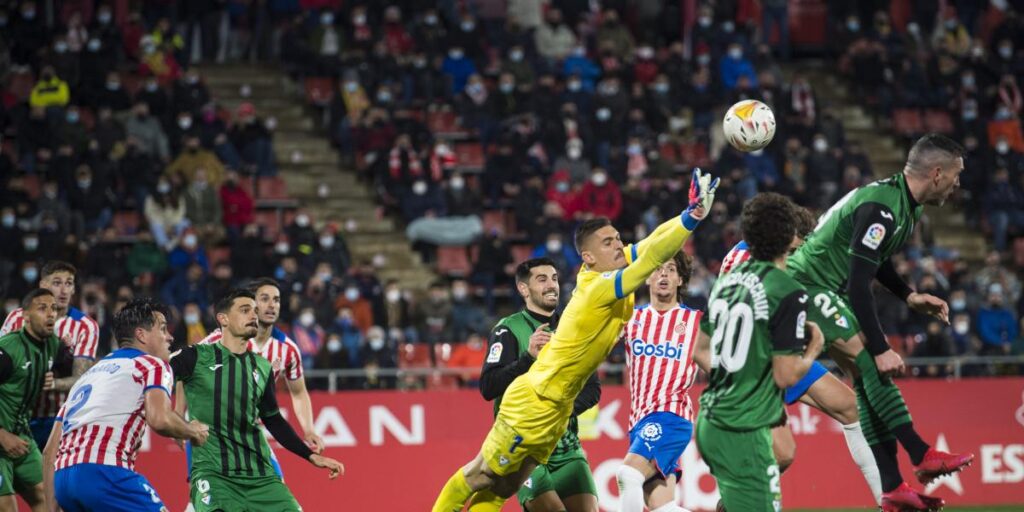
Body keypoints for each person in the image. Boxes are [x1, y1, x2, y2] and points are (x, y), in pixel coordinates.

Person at [432, 169, 718, 511]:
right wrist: (691, 220)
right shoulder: (596, 287)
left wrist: (690, 213)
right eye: (608, 242)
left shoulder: (610, 269)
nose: (619, 245)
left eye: (617, 239)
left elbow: (651, 244)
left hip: (557, 411)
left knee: (504, 484)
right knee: (480, 474)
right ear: (588, 257)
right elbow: (652, 260)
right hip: (535, 401)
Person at [785, 134, 972, 510]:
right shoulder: (883, 208)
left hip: (823, 288)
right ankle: (920, 455)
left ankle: (892, 487)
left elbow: (874, 259)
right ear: (937, 173)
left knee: (863, 378)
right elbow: (858, 283)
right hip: (802, 285)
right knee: (873, 362)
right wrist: (883, 347)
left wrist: (908, 294)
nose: (957, 185)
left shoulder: (904, 205)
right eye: (956, 175)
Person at [718, 205, 882, 505]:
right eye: (795, 245)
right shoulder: (744, 258)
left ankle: (888, 502)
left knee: (849, 408)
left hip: (783, 353)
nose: (796, 253)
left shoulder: (769, 255)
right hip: (755, 364)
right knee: (781, 454)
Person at [693, 193, 825, 512]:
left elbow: (700, 350)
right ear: (788, 236)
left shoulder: (728, 281)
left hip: (710, 423)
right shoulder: (787, 290)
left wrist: (739, 380)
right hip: (745, 428)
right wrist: (814, 350)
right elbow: (785, 375)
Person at [170, 290, 343, 511]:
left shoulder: (262, 367)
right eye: (245, 310)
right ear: (223, 319)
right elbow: (155, 379)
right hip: (215, 474)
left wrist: (310, 456)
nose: (254, 315)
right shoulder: (194, 356)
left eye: (254, 310)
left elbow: (273, 420)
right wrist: (178, 420)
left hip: (261, 476)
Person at [41, 298, 209, 512]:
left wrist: (50, 507)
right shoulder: (152, 364)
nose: (170, 337)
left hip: (64, 480)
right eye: (163, 329)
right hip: (104, 473)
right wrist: (191, 431)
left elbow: (49, 451)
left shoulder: (89, 376)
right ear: (141, 334)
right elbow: (160, 419)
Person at [479, 258, 600, 512]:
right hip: (523, 451)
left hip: (567, 449)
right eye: (542, 279)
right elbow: (489, 387)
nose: (551, 285)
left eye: (554, 278)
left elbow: (592, 388)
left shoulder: (573, 328)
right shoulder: (508, 330)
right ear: (524, 289)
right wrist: (528, 358)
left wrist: (560, 411)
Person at [185, 278, 324, 479]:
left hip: (250, 433)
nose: (272, 305)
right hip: (211, 434)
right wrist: (179, 420)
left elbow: (299, 392)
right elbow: (185, 373)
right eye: (265, 299)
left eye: (276, 300)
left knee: (277, 488)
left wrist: (309, 430)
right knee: (205, 503)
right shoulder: (219, 340)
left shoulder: (287, 349)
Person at [616, 252, 701, 512]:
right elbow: (596, 348)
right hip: (639, 422)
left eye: (671, 269)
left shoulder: (697, 321)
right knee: (662, 509)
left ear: (680, 280)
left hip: (672, 416)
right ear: (646, 278)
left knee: (628, 475)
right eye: (657, 269)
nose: (663, 274)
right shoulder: (630, 320)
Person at [0, 261, 98, 451]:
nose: (63, 290)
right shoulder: (17, 318)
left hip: (59, 418)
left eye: (68, 283)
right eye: (56, 283)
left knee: (53, 479)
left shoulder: (86, 326)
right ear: (43, 285)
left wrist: (54, 384)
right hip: (16, 416)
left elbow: (82, 379)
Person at [0, 289, 62, 512]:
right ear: (25, 316)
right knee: (6, 507)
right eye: (42, 308)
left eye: (54, 308)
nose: (51, 314)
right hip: (2, 435)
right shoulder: (7, 349)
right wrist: (2, 435)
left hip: (21, 437)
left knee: (50, 499)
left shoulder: (53, 345)